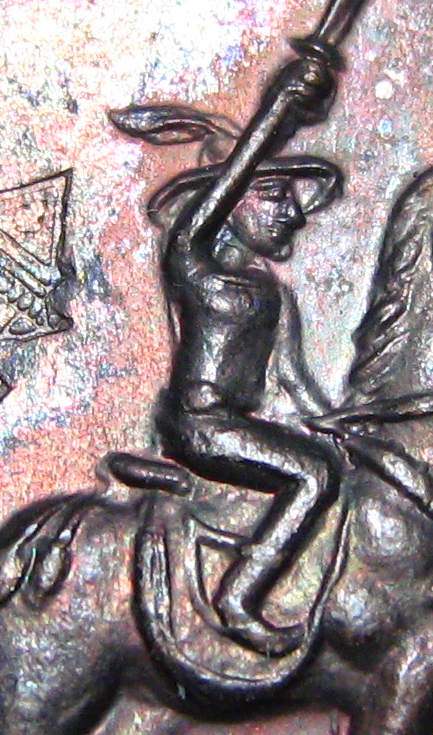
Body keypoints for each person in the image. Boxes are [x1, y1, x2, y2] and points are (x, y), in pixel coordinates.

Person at [129, 42, 347, 654]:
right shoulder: (194, 263)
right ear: (231, 203)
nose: (292, 214)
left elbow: (294, 382)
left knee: (329, 456)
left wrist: (344, 421)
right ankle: (239, 596)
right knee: (313, 474)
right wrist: (280, 108)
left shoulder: (270, 294)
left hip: (237, 425)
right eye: (274, 196)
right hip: (200, 425)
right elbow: (227, 183)